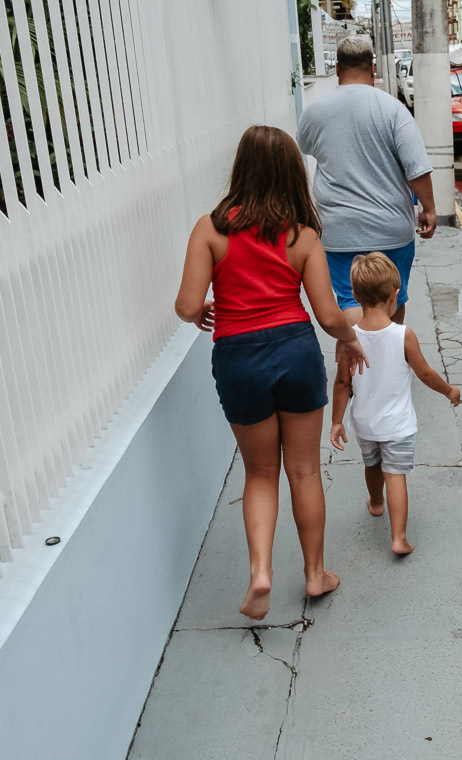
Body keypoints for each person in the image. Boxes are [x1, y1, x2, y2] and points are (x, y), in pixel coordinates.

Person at [174, 125, 368, 620]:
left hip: (237, 359)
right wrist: (351, 339)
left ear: (240, 169)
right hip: (295, 353)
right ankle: (315, 574)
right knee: (303, 471)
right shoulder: (301, 236)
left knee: (259, 472)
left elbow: (186, 305)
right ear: (290, 174)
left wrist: (202, 312)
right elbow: (327, 315)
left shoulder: (209, 229)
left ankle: (260, 573)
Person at [297, 36, 437, 326]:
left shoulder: (315, 112)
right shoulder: (393, 110)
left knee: (350, 299)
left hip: (339, 231)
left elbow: (305, 147)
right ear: (372, 67)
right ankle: (393, 360)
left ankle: (359, 359)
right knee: (393, 298)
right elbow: (416, 168)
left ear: (336, 69)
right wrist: (429, 208)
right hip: (390, 230)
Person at [328, 253, 460, 556]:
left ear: (356, 296)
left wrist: (337, 421)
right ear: (394, 296)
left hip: (364, 422)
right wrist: (448, 390)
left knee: (372, 465)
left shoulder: (351, 340)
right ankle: (398, 538)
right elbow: (425, 374)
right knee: (395, 474)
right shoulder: (404, 335)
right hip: (397, 426)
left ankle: (376, 504)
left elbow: (342, 385)